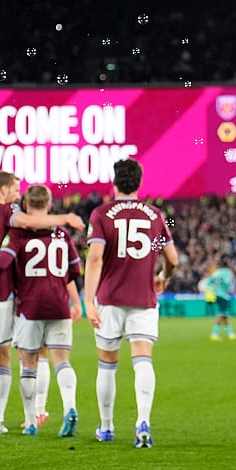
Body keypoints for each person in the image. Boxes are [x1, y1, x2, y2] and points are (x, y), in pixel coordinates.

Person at [0, 171, 83, 438]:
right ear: (3, 190)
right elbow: (69, 269)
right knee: (6, 359)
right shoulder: (8, 216)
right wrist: (65, 219)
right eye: (15, 189)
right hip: (3, 297)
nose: (17, 194)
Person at [83, 158, 178, 448]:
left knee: (107, 365)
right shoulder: (155, 215)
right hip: (143, 298)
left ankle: (107, 427)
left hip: (110, 299)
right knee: (143, 360)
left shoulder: (101, 214)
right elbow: (172, 259)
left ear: (115, 183)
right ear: (139, 183)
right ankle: (143, 423)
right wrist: (163, 276)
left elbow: (96, 257)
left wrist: (89, 299)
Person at [200, 259, 236, 341]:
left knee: (225, 315)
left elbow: (209, 282)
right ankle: (214, 333)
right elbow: (228, 283)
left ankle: (230, 333)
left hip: (216, 294)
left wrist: (214, 290)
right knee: (222, 314)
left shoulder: (216, 272)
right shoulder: (228, 272)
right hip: (223, 295)